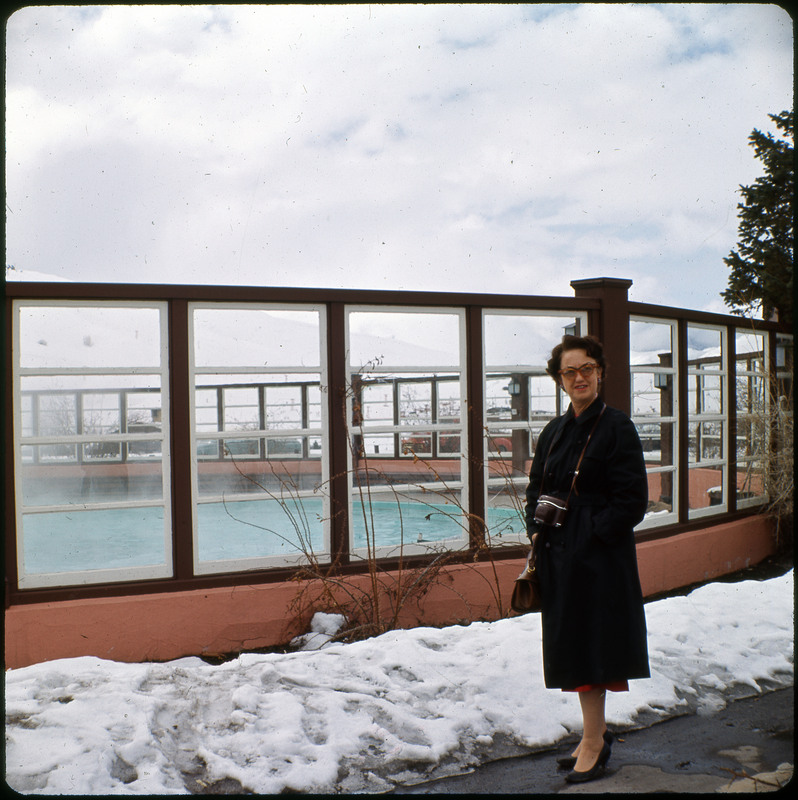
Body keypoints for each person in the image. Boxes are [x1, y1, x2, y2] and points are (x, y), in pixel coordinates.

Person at [525, 334, 649, 784]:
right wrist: (536, 528)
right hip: (559, 556)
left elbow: (632, 500)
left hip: (598, 562)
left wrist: (591, 537)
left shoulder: (617, 427)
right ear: (559, 379)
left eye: (587, 369)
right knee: (573, 647)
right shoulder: (554, 431)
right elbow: (535, 487)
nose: (579, 378)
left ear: (600, 372)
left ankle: (595, 743)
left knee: (593, 647)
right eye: (570, 371)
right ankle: (591, 735)